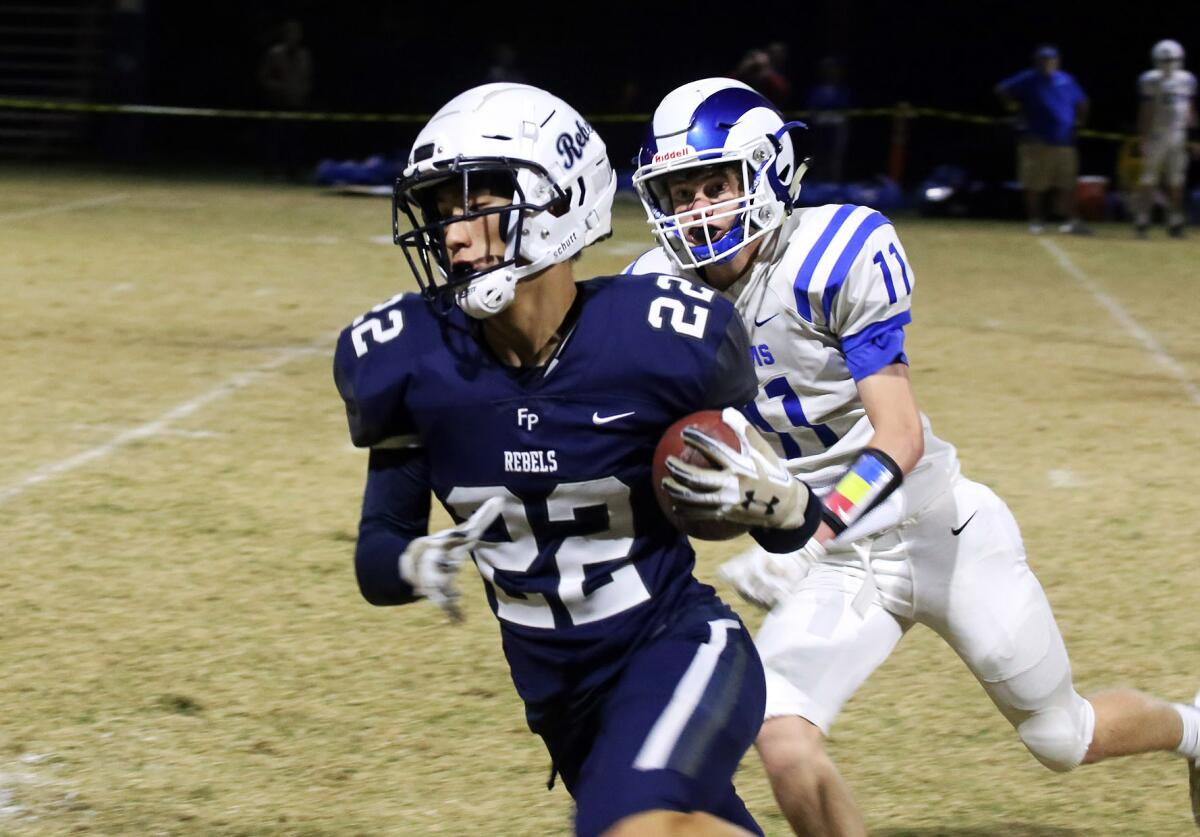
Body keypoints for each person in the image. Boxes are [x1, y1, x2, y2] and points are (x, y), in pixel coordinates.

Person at [628, 77, 1200, 836]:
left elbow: (900, 435)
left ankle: (1194, 728)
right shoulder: (657, 294)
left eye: (714, 184)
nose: (697, 210)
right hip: (841, 563)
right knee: (781, 734)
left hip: (938, 533)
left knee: (1062, 737)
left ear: (766, 173)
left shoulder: (833, 253)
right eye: (678, 192)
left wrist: (810, 538)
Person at [334, 82, 824, 837]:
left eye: (473, 205)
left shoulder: (658, 338)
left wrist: (787, 506)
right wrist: (412, 563)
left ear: (558, 202)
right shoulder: (411, 359)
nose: (453, 236)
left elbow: (788, 529)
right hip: (560, 697)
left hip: (677, 649)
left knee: (624, 827)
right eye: (439, 212)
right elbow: (377, 551)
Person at [995, 46, 1091, 235]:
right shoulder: (1029, 78)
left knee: (1067, 184)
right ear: (1037, 62)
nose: (1047, 63)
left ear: (1057, 61)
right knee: (1034, 185)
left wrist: (1080, 123)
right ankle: (1036, 221)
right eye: (1043, 60)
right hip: (1036, 141)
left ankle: (1071, 221)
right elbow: (1001, 89)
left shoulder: (1066, 79)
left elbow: (1083, 102)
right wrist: (1013, 107)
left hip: (1064, 142)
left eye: (1051, 60)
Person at [1134, 39, 1197, 238]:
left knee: (1176, 180)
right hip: (1157, 134)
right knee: (1149, 178)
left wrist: (1194, 137)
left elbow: (1189, 110)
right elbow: (1146, 110)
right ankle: (1142, 219)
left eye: (1172, 59)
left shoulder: (1187, 79)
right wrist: (1143, 137)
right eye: (1166, 60)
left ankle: (1175, 221)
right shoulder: (1149, 80)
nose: (1169, 63)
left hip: (1178, 134)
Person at [256, 18, 313, 180]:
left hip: (297, 104)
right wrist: (276, 88)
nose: (294, 36)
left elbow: (308, 77)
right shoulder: (274, 53)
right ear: (285, 35)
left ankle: (294, 171)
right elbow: (263, 76)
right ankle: (270, 170)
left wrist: (303, 91)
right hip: (277, 104)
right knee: (274, 139)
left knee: (295, 139)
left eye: (297, 33)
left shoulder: (305, 55)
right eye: (290, 33)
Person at [805, 56, 852, 183]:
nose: (830, 72)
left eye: (833, 69)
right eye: (827, 69)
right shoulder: (816, 90)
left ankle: (834, 185)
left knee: (835, 157)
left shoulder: (842, 89)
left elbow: (846, 107)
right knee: (819, 156)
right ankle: (819, 185)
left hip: (837, 127)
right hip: (820, 127)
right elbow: (812, 107)